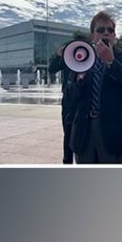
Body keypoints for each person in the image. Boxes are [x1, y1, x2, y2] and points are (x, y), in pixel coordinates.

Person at [67, 11, 122, 164]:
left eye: (110, 30)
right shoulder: (81, 58)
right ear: (92, 36)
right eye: (101, 30)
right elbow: (70, 97)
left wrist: (111, 62)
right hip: (85, 132)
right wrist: (79, 80)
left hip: (116, 131)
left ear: (114, 36)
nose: (106, 33)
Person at [49, 35, 89, 165]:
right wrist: (59, 55)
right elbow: (52, 69)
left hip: (85, 100)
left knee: (84, 134)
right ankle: (67, 162)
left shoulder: (91, 57)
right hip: (69, 100)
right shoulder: (68, 58)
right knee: (68, 133)